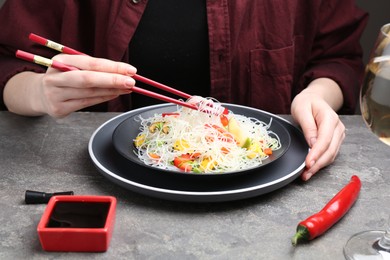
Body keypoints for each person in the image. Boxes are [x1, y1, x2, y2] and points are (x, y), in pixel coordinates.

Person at [0, 1, 368, 181]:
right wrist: (39, 94)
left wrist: (317, 95)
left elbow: (338, 57)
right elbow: (6, 62)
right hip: (105, 184)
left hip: (272, 187)